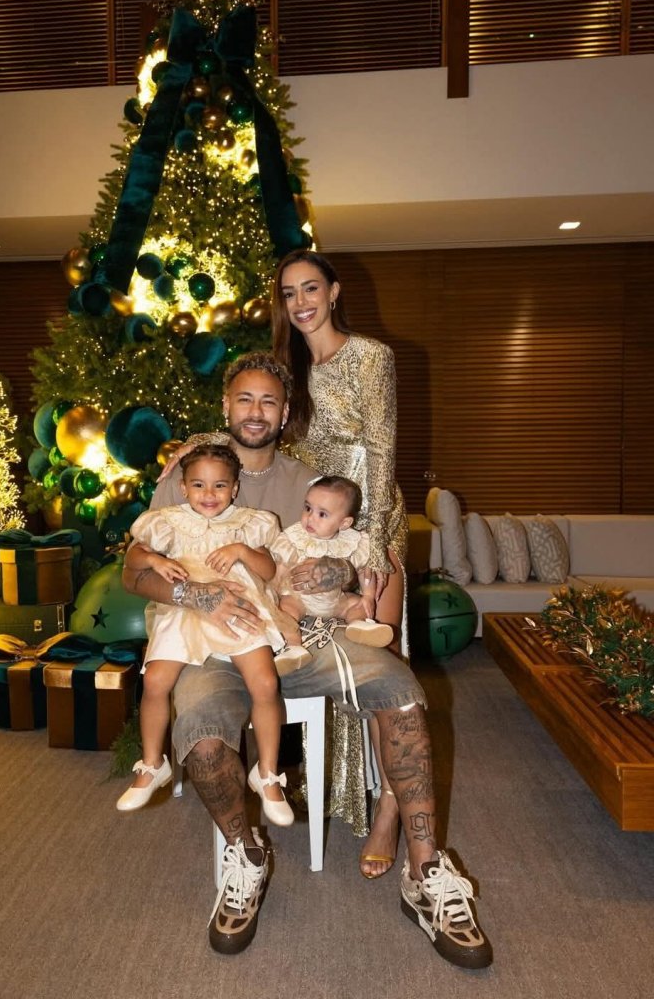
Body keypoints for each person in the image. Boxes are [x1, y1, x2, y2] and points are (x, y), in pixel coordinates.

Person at [123, 353, 492, 968]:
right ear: (226, 406)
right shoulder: (185, 476)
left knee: (399, 691)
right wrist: (192, 595)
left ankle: (425, 871)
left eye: (268, 401)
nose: (256, 412)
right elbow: (134, 572)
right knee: (205, 742)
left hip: (303, 638)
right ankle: (246, 855)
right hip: (211, 644)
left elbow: (349, 551)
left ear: (285, 410)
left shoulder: (308, 481)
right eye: (245, 399)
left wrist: (338, 575)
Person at [271, 248, 410, 879]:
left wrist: (374, 544)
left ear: (333, 291)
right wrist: (198, 442)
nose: (300, 302)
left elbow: (381, 450)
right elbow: (255, 426)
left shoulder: (371, 356)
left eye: (310, 288)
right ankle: (347, 789)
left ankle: (389, 812)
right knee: (333, 659)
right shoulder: (290, 370)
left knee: (383, 668)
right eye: (289, 293)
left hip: (370, 523)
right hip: (318, 532)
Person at [115, 443, 299, 827]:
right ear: (183, 487)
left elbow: (268, 571)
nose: (209, 494)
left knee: (265, 682)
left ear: (235, 488)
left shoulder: (249, 523)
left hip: (239, 609)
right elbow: (133, 558)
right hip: (186, 611)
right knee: (155, 680)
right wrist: (154, 560)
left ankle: (267, 774)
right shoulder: (167, 521)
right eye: (198, 485)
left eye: (220, 485)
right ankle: (152, 764)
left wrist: (243, 552)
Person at [272, 474, 394, 648]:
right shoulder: (294, 538)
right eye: (308, 508)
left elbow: (364, 571)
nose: (310, 518)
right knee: (285, 610)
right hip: (299, 597)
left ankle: (359, 625)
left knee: (357, 604)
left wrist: (368, 596)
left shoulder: (353, 542)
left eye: (322, 514)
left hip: (336, 601)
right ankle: (292, 645)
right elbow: (281, 567)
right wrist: (274, 591)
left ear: (344, 523)